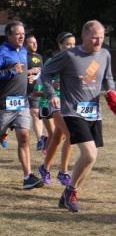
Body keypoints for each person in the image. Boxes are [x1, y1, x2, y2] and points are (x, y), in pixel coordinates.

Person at [41, 20, 114, 212]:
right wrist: (51, 95)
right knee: (89, 153)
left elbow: (108, 78)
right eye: (94, 38)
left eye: (101, 37)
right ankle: (71, 192)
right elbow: (46, 73)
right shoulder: (69, 55)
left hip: (93, 112)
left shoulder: (105, 54)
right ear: (84, 37)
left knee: (92, 157)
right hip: (72, 110)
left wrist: (111, 92)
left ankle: (70, 192)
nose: (98, 41)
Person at [0, 21, 44, 190]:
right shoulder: (1, 52)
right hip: (3, 103)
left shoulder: (24, 51)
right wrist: (12, 71)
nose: (22, 36)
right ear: (9, 35)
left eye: (23, 34)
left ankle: (27, 177)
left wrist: (29, 76)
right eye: (18, 34)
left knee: (24, 137)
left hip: (21, 102)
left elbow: (20, 72)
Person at [37, 32, 76, 185]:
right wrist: (52, 87)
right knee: (71, 135)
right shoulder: (52, 61)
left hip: (70, 103)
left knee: (58, 137)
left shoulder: (76, 61)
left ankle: (44, 168)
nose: (71, 47)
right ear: (60, 45)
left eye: (73, 44)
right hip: (55, 102)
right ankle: (63, 172)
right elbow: (43, 78)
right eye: (68, 44)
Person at [25, 34, 47, 151]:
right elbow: (16, 73)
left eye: (36, 42)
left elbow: (41, 74)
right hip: (20, 90)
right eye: (31, 42)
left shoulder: (39, 57)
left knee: (35, 113)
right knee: (13, 116)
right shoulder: (21, 56)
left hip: (35, 90)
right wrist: (30, 71)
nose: (35, 44)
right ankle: (3, 135)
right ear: (25, 44)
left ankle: (40, 140)